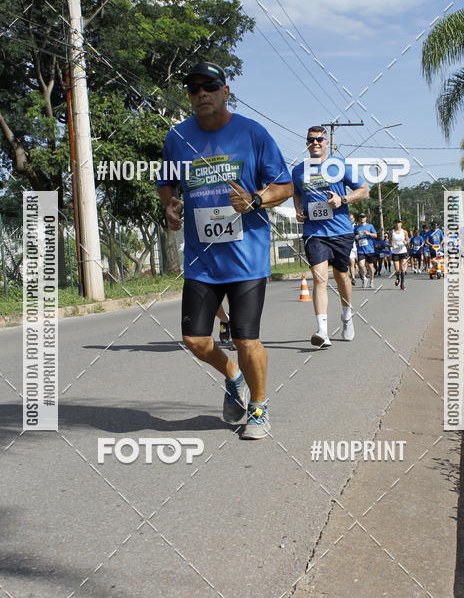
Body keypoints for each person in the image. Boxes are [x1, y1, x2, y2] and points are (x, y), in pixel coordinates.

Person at [157, 61, 292, 439]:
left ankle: (260, 408)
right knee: (196, 341)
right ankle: (233, 376)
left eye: (209, 86)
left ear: (225, 90)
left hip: (247, 257)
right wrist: (169, 205)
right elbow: (166, 182)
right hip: (202, 260)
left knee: (247, 338)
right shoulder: (178, 138)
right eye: (193, 88)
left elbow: (284, 186)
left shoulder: (252, 133)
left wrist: (255, 200)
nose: (201, 94)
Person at [292, 126, 368, 347]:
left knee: (342, 277)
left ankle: (346, 316)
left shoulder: (339, 165)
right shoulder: (298, 170)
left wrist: (342, 200)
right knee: (319, 278)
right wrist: (298, 209)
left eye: (319, 139)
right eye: (310, 140)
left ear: (327, 142)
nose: (315, 143)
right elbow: (296, 192)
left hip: (341, 231)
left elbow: (363, 190)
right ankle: (322, 331)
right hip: (314, 232)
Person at [355, 213, 378, 287]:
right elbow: (354, 236)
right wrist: (357, 236)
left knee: (370, 267)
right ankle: (364, 278)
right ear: (359, 218)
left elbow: (375, 235)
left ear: (366, 218)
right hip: (360, 250)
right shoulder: (357, 227)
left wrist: (368, 233)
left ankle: (371, 280)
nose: (362, 218)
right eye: (360, 217)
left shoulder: (370, 226)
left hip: (369, 250)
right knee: (361, 265)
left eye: (363, 217)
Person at [390, 219, 410, 290]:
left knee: (403, 268)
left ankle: (402, 284)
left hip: (403, 251)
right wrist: (392, 244)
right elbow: (390, 241)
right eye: (396, 223)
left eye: (399, 223)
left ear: (401, 224)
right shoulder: (392, 232)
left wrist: (406, 242)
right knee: (397, 269)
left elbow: (408, 240)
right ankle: (397, 277)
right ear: (394, 224)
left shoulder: (404, 232)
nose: (397, 224)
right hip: (395, 252)